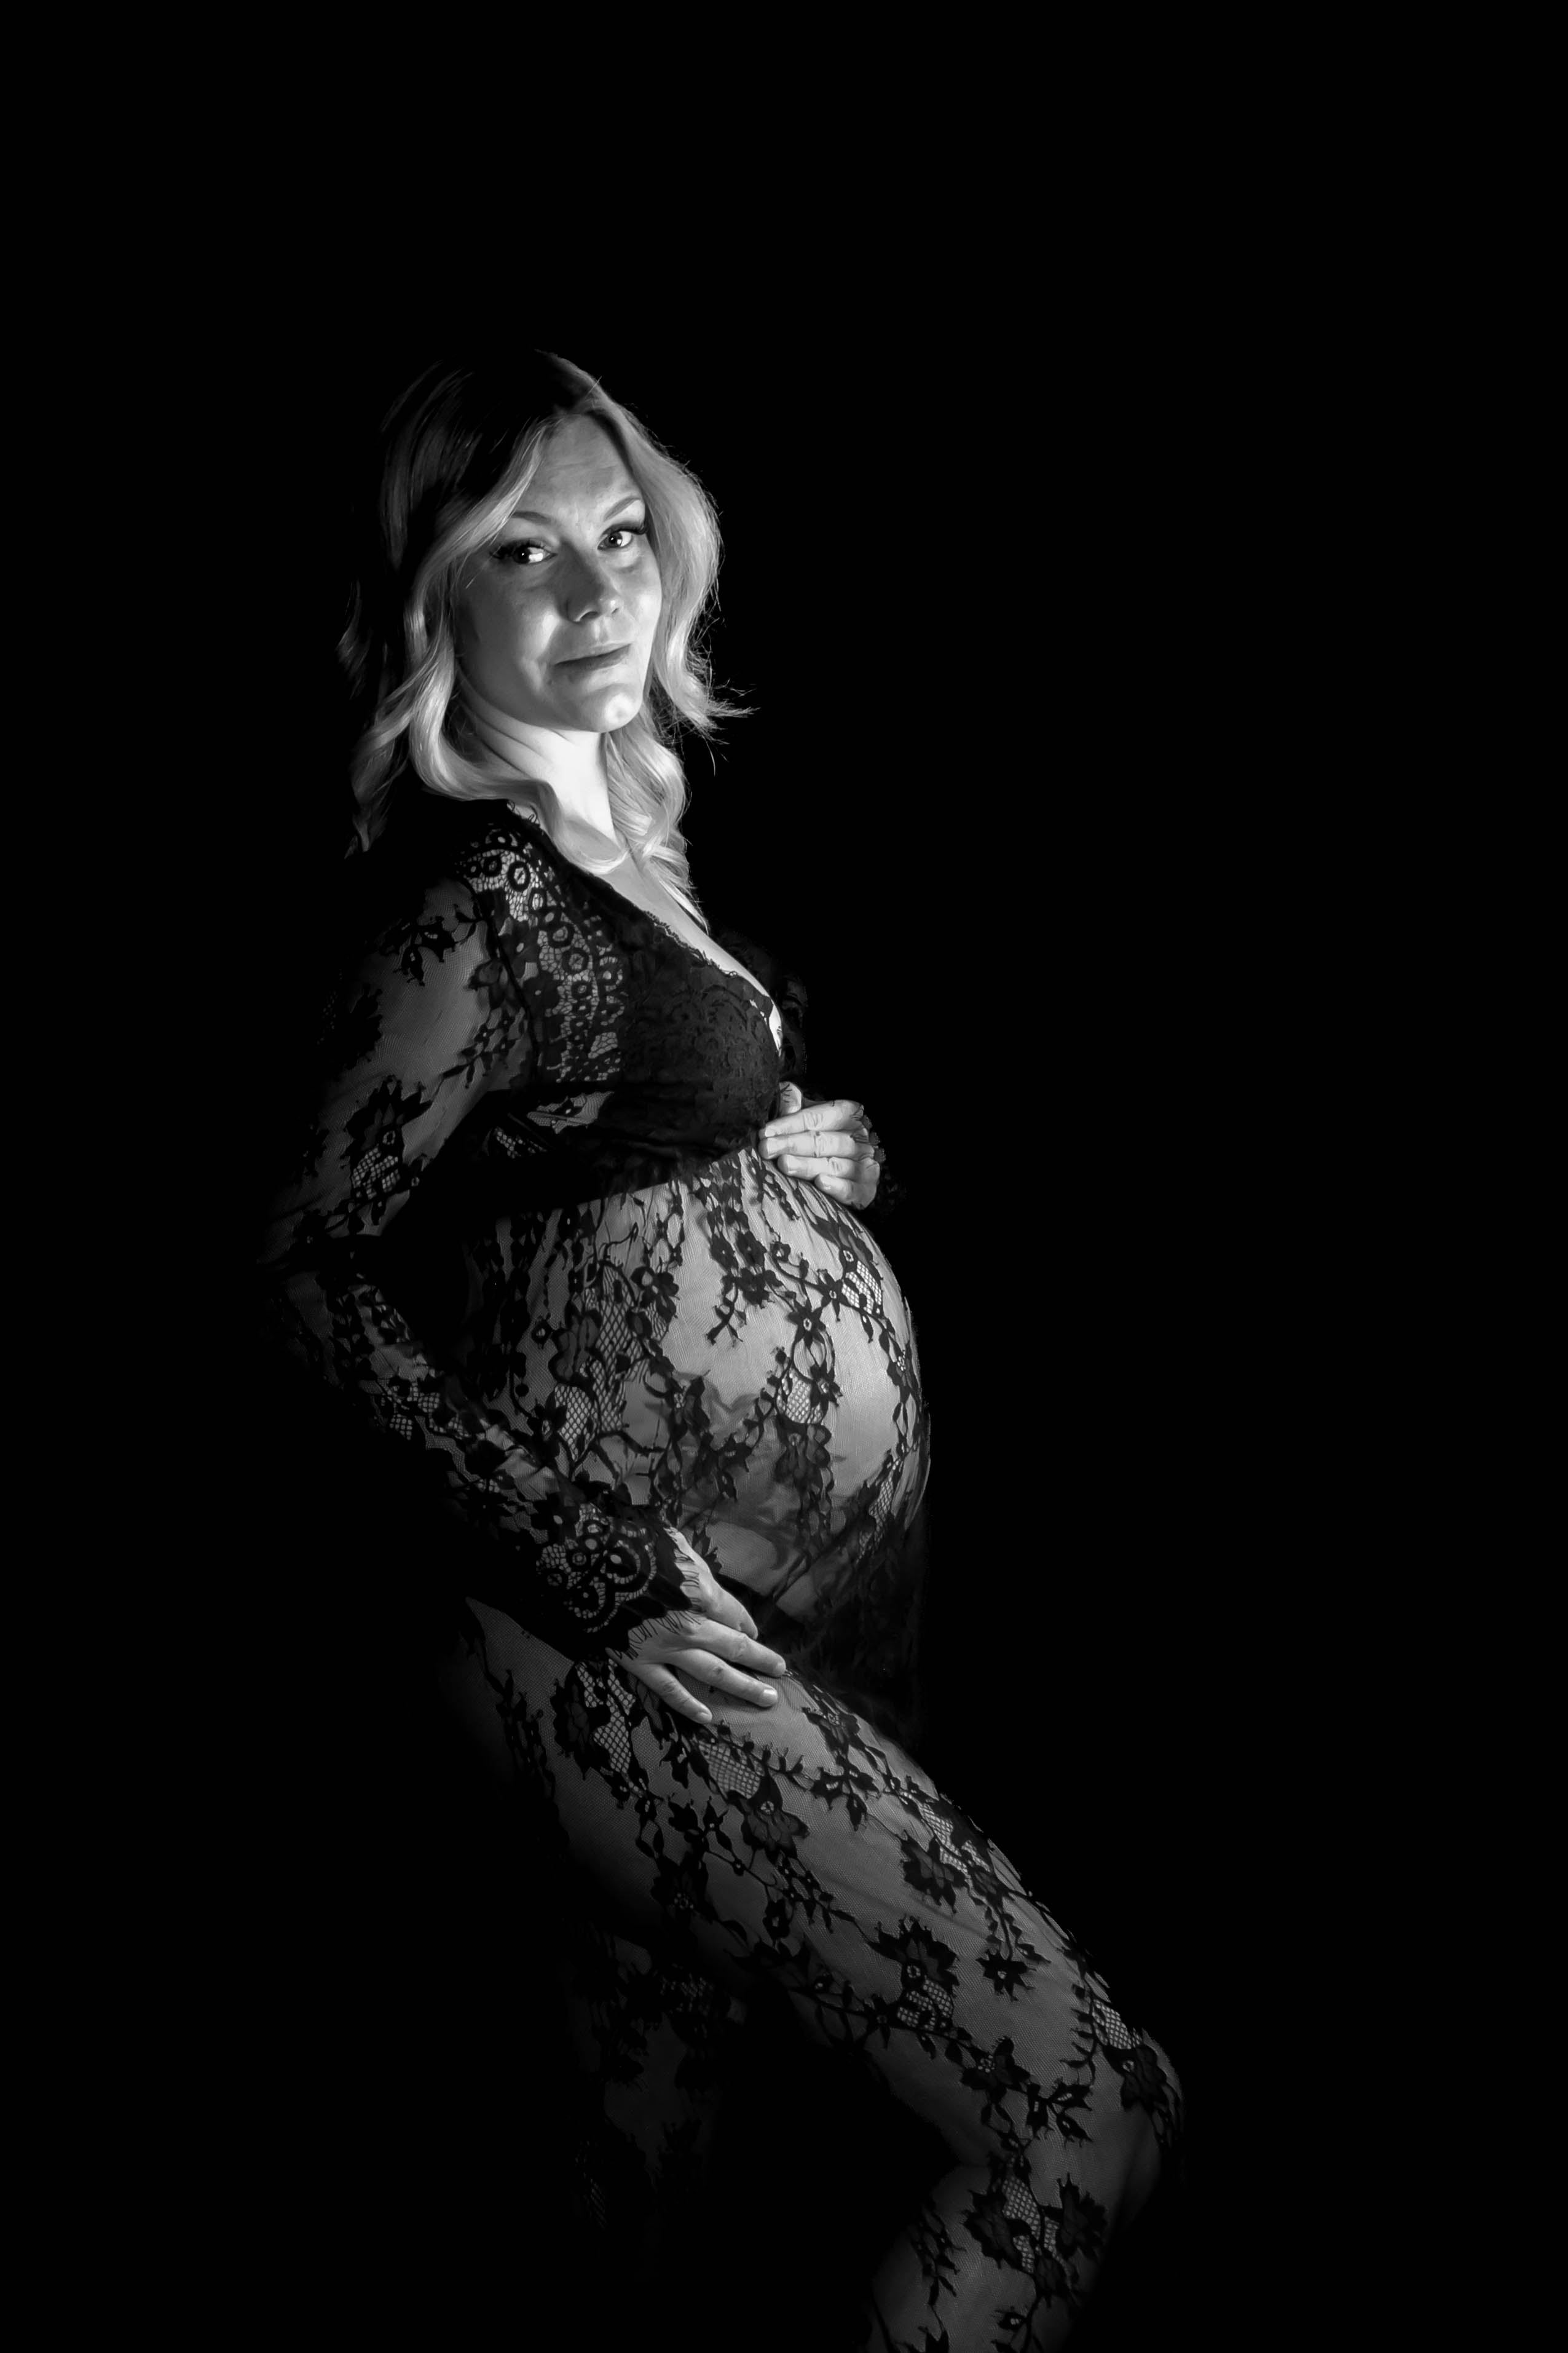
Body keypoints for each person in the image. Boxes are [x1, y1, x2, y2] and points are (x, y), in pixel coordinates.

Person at [258, 352, 1184, 2349]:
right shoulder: (475, 900)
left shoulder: (635, 841)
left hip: (778, 1622)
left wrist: (804, 1151)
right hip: (620, 1644)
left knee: (644, 2220)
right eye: (522, 550)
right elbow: (296, 1264)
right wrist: (586, 1563)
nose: (596, 590)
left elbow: (592, 1162)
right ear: (429, 598)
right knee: (1082, 2101)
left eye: (617, 535)